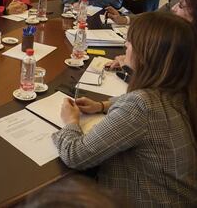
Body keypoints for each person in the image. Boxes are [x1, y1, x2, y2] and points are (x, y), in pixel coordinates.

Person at [52, 12, 197, 206]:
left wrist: (71, 121)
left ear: (145, 54)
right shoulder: (180, 90)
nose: (125, 47)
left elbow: (75, 155)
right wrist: (102, 106)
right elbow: (140, 102)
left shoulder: (141, 106)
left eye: (130, 43)